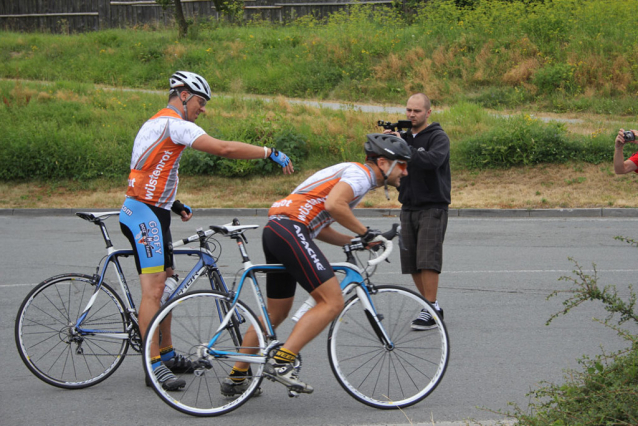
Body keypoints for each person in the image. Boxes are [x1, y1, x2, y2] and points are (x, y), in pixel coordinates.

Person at [119, 71, 294, 391]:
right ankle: (152, 363)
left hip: (152, 210)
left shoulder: (153, 123)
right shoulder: (175, 124)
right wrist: (268, 152)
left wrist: (173, 203)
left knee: (167, 284)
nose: (204, 109)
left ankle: (167, 352)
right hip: (145, 214)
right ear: (183, 95)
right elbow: (224, 148)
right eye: (201, 101)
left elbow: (145, 171)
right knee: (155, 290)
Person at [220, 133, 411, 396]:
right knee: (332, 301)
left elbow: (319, 225)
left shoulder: (353, 174)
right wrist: (365, 232)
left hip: (279, 230)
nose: (406, 171)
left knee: (276, 313)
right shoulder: (360, 175)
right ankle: (283, 360)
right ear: (382, 162)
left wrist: (352, 240)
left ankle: (237, 377)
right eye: (402, 164)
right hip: (291, 230)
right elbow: (335, 205)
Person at [384, 93, 451, 331]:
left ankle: (430, 308)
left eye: (417, 111)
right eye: (408, 110)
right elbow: (392, 169)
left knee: (427, 260)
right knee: (412, 262)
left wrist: (404, 145)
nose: (411, 115)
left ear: (428, 113)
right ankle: (431, 306)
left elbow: (432, 161)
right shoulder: (404, 138)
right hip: (408, 205)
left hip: (433, 206)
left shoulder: (438, 137)